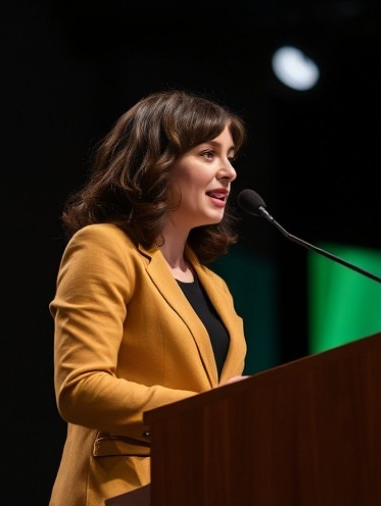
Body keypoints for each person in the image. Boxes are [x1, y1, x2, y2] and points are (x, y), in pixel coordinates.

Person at [48, 89, 250, 506]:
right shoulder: (103, 247)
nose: (229, 171)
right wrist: (208, 410)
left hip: (202, 486)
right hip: (120, 490)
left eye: (231, 156)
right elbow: (81, 388)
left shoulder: (217, 288)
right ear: (157, 162)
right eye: (208, 154)